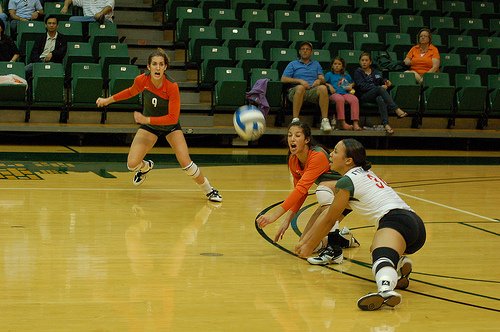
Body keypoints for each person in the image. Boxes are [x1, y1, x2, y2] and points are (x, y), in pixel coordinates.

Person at [295, 138, 426, 311]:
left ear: (348, 160)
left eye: (335, 151)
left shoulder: (347, 182)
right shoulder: (365, 175)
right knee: (376, 249)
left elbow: (329, 219)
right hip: (414, 223)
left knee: (380, 256)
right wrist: (306, 241)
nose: (330, 155)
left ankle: (386, 290)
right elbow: (334, 215)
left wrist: (308, 246)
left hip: (395, 221)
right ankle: (400, 266)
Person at [96, 48, 223, 202]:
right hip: (150, 127)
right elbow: (130, 92)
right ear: (148, 67)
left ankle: (209, 190)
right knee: (132, 164)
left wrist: (146, 120)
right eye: (154, 64)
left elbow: (172, 118)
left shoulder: (171, 86)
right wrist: (107, 100)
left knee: (186, 163)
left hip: (170, 127)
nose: (158, 67)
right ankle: (145, 167)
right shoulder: (142, 80)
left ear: (165, 67)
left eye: (161, 64)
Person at [256, 121, 359, 265]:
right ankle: (344, 239)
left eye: (297, 135)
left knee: (322, 190)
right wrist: (286, 221)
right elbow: (300, 194)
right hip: (334, 197)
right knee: (303, 246)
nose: (292, 139)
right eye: (290, 135)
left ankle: (334, 250)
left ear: (307, 140)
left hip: (352, 191)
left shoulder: (317, 156)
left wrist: (274, 216)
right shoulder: (294, 160)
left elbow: (301, 189)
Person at [281, 41, 332, 132]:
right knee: (301, 87)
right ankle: (295, 120)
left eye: (307, 49)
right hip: (295, 91)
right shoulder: (293, 64)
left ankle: (324, 121)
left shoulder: (316, 64)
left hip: (311, 90)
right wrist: (300, 81)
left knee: (323, 88)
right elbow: (283, 79)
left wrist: (319, 80)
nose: (305, 51)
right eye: (303, 49)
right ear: (299, 52)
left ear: (311, 52)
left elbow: (322, 78)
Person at [353, 52, 408, 135]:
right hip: (364, 96)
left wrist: (386, 81)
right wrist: (379, 88)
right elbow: (362, 86)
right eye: (362, 60)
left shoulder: (375, 71)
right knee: (379, 89)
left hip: (376, 95)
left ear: (370, 62)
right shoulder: (358, 72)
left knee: (380, 98)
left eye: (366, 60)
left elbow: (380, 79)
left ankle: (386, 124)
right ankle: (396, 109)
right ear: (359, 62)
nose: (364, 62)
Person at [324, 56, 362, 131]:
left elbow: (352, 82)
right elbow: (323, 82)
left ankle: (355, 123)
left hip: (345, 93)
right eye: (335, 64)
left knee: (354, 99)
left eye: (339, 64)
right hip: (334, 94)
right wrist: (329, 85)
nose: (337, 66)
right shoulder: (329, 74)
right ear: (332, 65)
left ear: (342, 66)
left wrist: (351, 85)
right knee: (340, 99)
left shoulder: (346, 75)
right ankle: (342, 123)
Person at [25, 15, 67, 81]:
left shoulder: (62, 38)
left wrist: (52, 53)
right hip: (39, 62)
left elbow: (62, 52)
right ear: (45, 25)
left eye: (54, 23)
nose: (51, 25)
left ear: (57, 25)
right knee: (24, 70)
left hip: (54, 63)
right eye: (49, 23)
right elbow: (33, 54)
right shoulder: (40, 38)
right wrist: (41, 63)